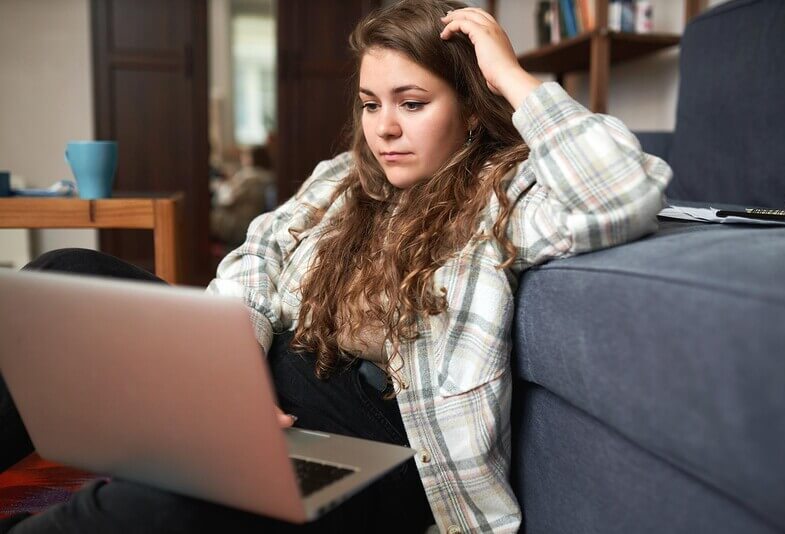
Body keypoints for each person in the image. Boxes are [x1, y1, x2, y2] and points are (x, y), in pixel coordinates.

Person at [0, 1, 671, 532]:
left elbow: (621, 191)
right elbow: (259, 251)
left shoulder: (508, 192)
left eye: (412, 103)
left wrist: (514, 78)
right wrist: (231, 371)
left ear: (470, 108)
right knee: (63, 269)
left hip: (378, 434)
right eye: (371, 104)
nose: (384, 128)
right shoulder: (343, 179)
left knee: (164, 499)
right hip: (272, 371)